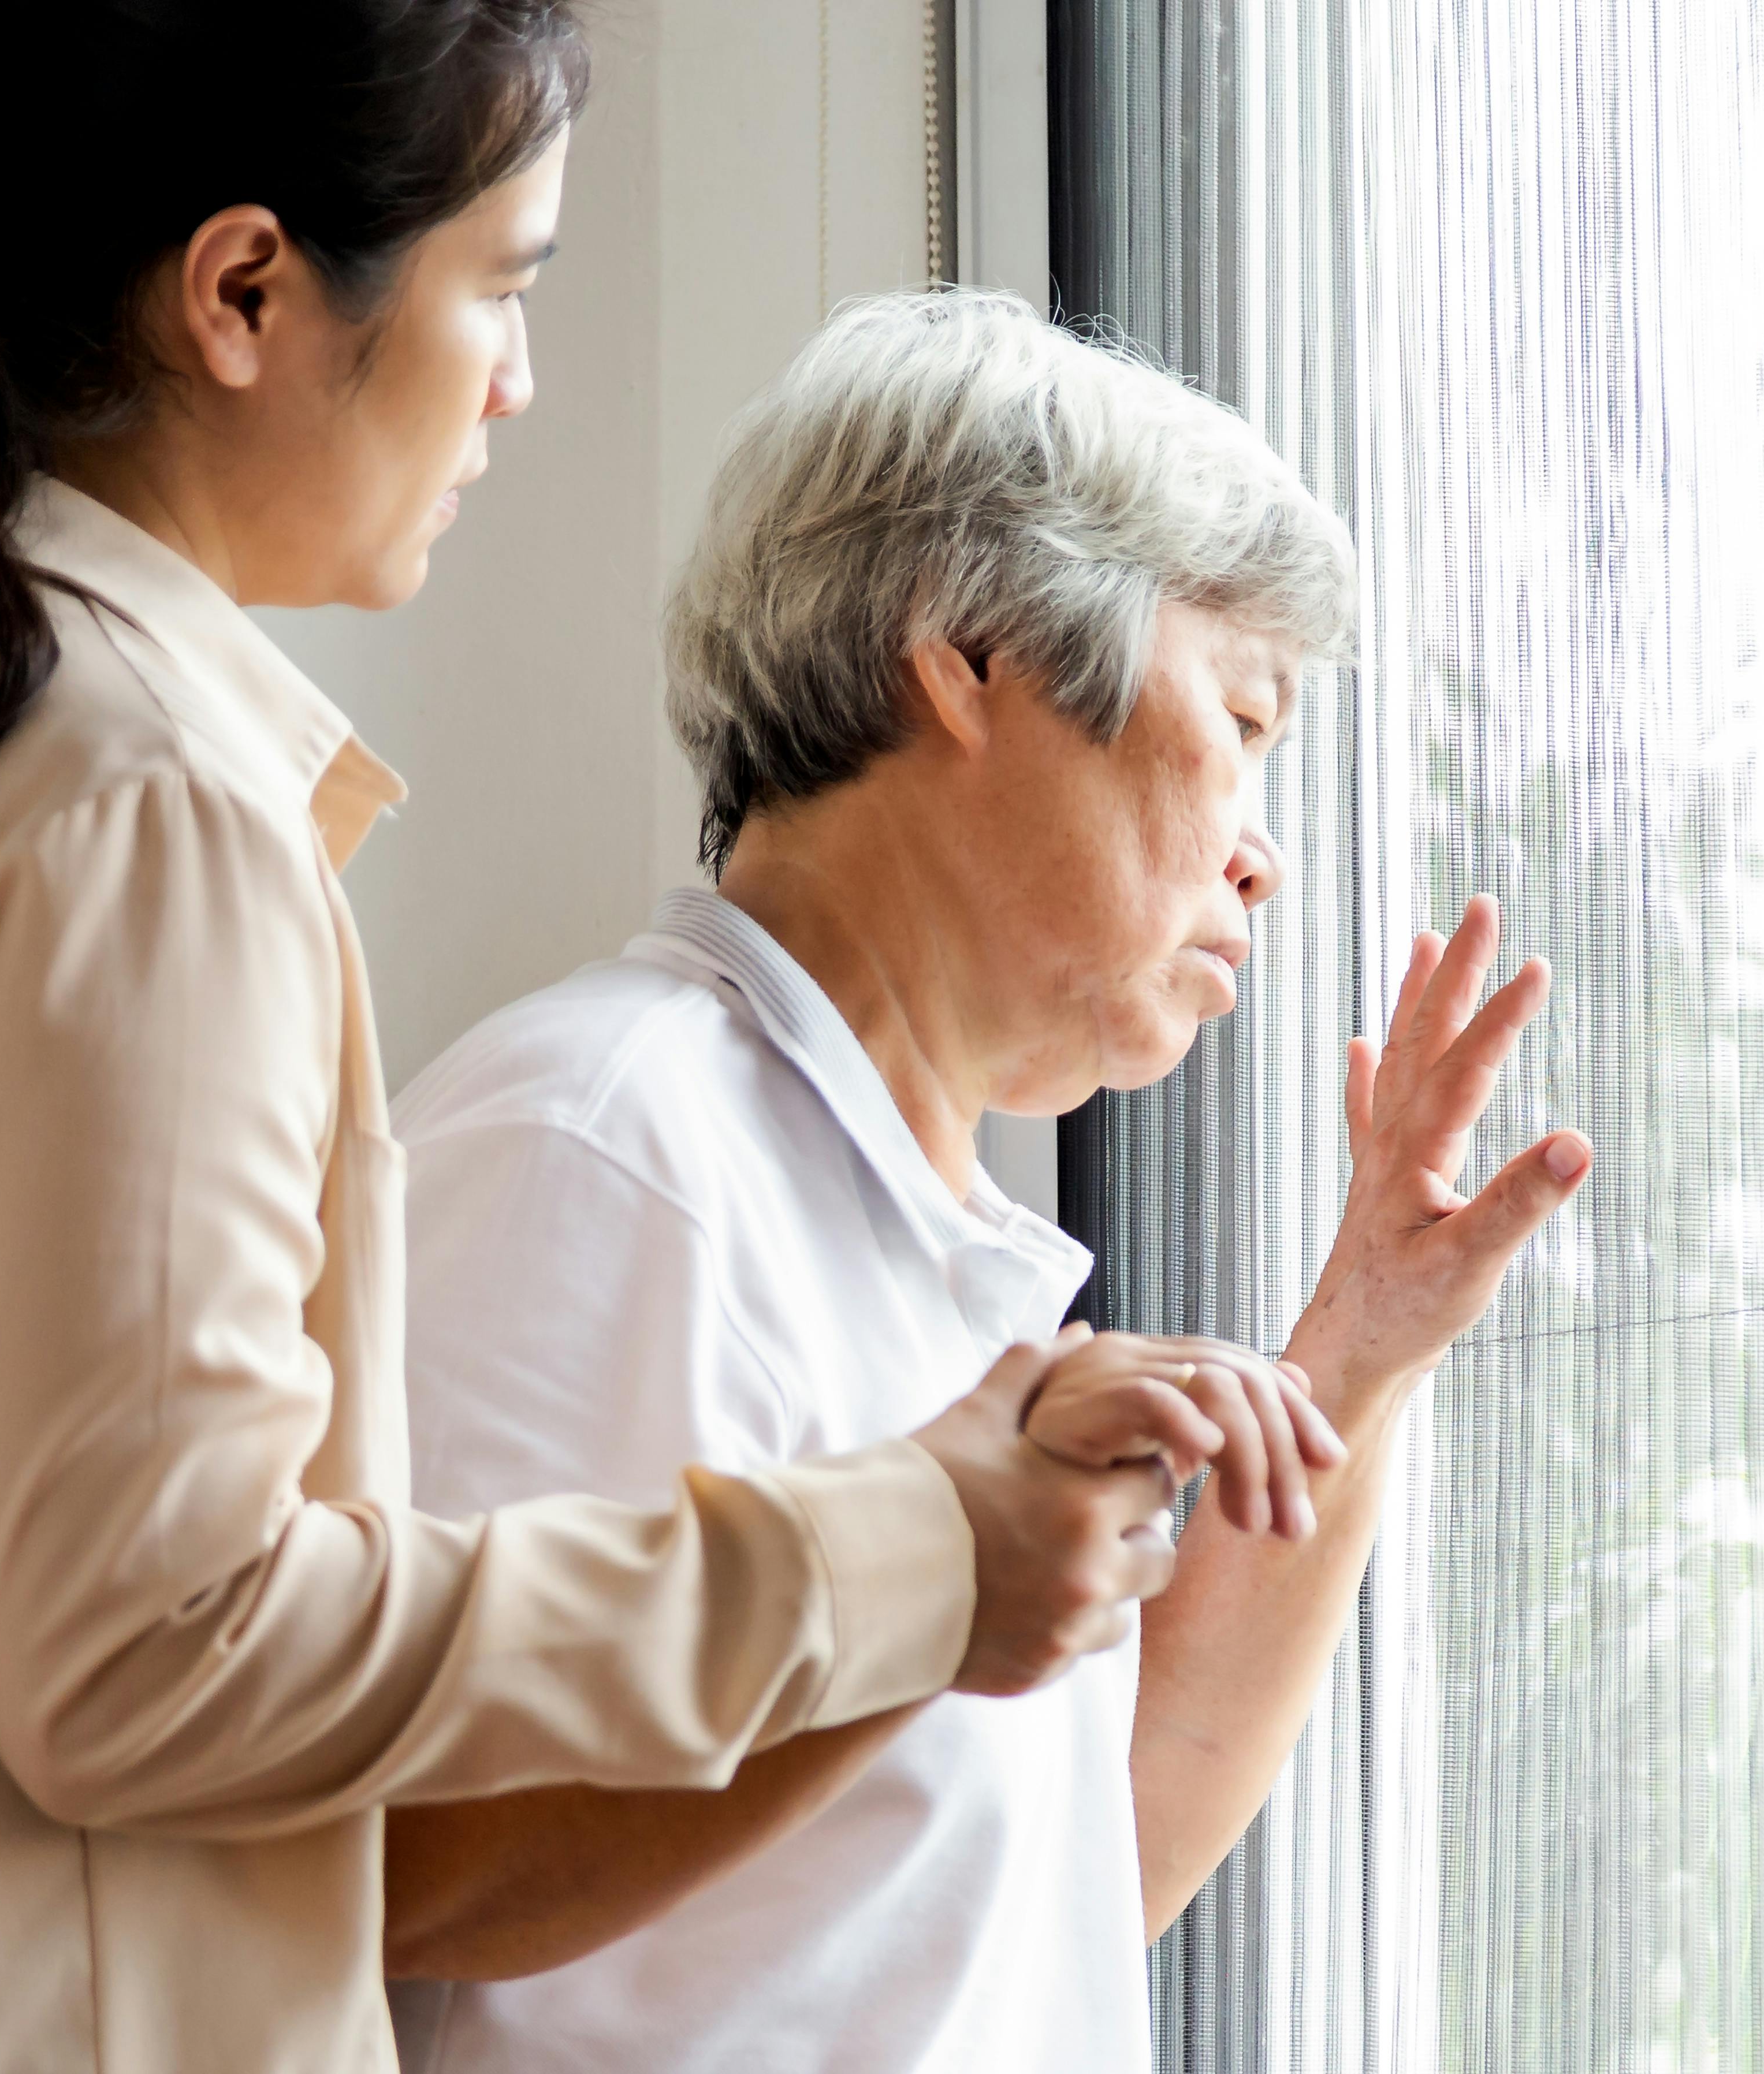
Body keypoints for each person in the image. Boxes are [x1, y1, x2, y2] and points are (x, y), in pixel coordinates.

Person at [0, 14, 1306, 2072]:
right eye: (503, 284)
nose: (517, 383)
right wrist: (902, 1551)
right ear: (243, 293)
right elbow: (163, 1649)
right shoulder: (137, 815)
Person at [378, 291, 1595, 2073]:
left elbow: (1081, 1879)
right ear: (966, 654)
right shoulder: (597, 1150)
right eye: (1239, 721)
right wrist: (932, 1580)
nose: (1260, 856)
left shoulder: (927, 1242)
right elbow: (384, 1868)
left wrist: (1363, 1343)